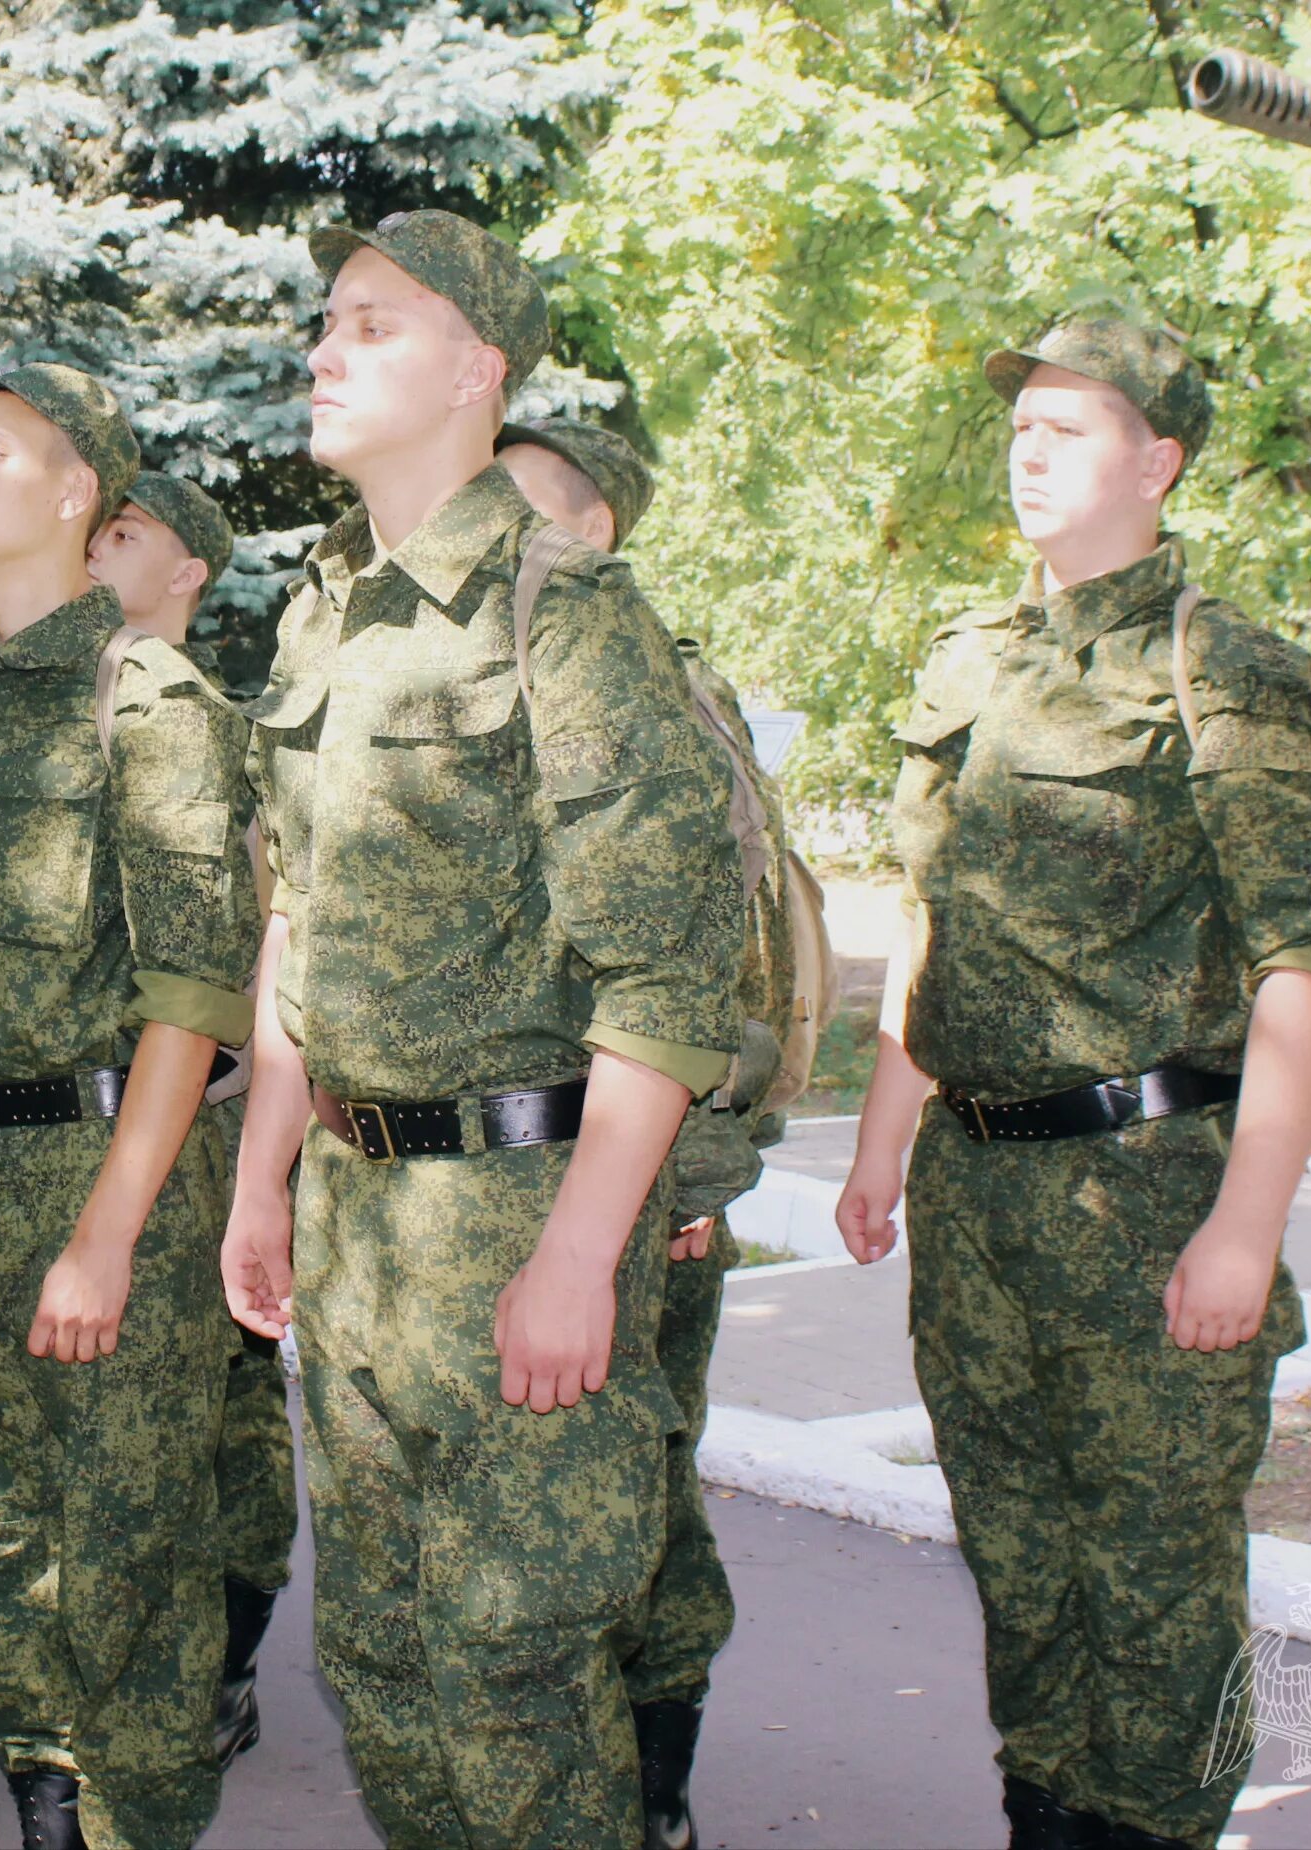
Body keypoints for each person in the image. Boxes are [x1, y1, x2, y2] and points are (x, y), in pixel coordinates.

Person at [222, 210, 745, 1850]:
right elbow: (297, 932)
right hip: (355, 1218)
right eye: (324, 319)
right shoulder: (320, 624)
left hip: (519, 1209)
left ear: (474, 368)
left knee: (514, 1675)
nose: (325, 347)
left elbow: (668, 978)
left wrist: (586, 1253)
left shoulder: (563, 612)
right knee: (378, 1658)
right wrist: (259, 1184)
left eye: (370, 323)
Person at [833, 319, 1311, 1850]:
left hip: (1147, 1190)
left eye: (1071, 426)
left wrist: (1245, 1226)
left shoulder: (1226, 671)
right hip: (980, 1184)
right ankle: (1048, 1823)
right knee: (1017, 1555)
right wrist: (881, 1144)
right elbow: (931, 918)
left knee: (1152, 1579)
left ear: (1159, 460)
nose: (1031, 446)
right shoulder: (971, 659)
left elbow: (1303, 964)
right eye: (1023, 424)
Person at [0, 362, 260, 1850]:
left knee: (129, 1552)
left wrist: (108, 1234)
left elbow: (193, 995)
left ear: (78, 494)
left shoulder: (143, 697)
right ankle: (47, 1806)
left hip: (107, 1169)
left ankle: (136, 1821)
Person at [498, 419, 767, 1847]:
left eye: (523, 499)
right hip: (514, 1171)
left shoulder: (645, 680)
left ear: (593, 530)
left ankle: (651, 1796)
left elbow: (725, 954)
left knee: (636, 1496)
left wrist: (694, 1167)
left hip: (641, 1165)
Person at [86, 470, 298, 1766]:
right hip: (84, 1125)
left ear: (186, 577)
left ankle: (221, 1649)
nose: (98, 550)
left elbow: (238, 956)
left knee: (207, 1408)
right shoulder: (55, 712)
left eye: (129, 536)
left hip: (199, 1119)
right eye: (95, 526)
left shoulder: (197, 723)